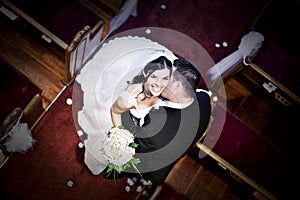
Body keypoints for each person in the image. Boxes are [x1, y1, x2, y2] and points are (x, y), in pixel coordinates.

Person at [121, 58, 212, 196]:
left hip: (149, 164)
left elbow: (129, 133)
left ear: (177, 86)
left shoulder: (155, 131)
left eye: (167, 78)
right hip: (175, 146)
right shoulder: (203, 99)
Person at [110, 56, 173, 128]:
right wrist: (121, 134)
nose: (159, 83)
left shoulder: (170, 91)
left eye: (165, 78)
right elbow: (115, 112)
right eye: (154, 77)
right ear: (146, 74)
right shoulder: (130, 97)